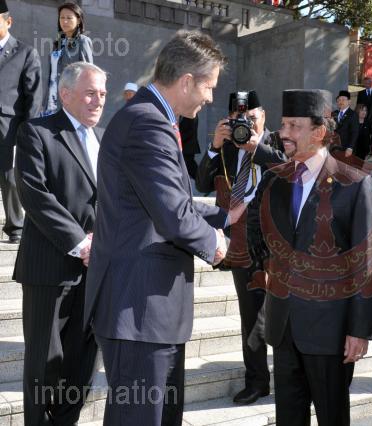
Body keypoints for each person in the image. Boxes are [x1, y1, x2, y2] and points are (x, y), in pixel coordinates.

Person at [84, 30, 229, 424]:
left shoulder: (151, 117)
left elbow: (167, 199)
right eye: (209, 87)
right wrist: (218, 244)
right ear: (187, 81)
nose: (210, 98)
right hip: (140, 310)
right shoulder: (148, 123)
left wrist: (227, 217)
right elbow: (173, 216)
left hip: (147, 313)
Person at [247, 89, 372, 426]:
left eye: (294, 125)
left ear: (319, 132)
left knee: (332, 417)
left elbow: (365, 265)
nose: (284, 133)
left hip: (331, 333)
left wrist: (359, 330)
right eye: (283, 124)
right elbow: (257, 231)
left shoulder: (354, 184)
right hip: (283, 326)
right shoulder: (274, 180)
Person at [15, 61, 105, 426]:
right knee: (44, 363)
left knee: (84, 362)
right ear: (65, 94)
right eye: (90, 93)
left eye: (102, 93)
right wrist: (80, 243)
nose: (99, 101)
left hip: (97, 271)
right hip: (49, 270)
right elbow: (34, 195)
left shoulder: (105, 139)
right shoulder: (37, 132)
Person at [195, 90, 285, 405]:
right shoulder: (228, 148)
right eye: (237, 118)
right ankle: (257, 381)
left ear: (264, 115)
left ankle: (292, 378)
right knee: (251, 314)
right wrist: (214, 147)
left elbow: (289, 169)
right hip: (242, 241)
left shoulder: (279, 140)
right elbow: (202, 184)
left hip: (279, 243)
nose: (244, 123)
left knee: (286, 313)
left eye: (250, 116)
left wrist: (255, 148)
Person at [0, 0, 42, 244]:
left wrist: (28, 130)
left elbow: (33, 96)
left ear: (9, 21)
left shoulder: (25, 52)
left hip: (9, 125)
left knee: (9, 177)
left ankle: (15, 227)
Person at [43, 2, 93, 115]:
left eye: (69, 18)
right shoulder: (58, 42)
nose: (64, 21)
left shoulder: (83, 41)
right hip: (51, 101)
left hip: (70, 102)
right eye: (62, 18)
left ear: (78, 20)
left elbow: (88, 74)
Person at [332, 90, 359, 156]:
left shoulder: (353, 114)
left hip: (346, 148)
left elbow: (355, 132)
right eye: (339, 100)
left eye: (343, 100)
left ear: (349, 101)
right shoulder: (334, 113)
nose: (341, 102)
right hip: (334, 147)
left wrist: (350, 147)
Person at [179, 114, 201, 180]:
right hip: (187, 146)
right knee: (189, 166)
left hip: (187, 146)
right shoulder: (190, 114)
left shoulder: (190, 114)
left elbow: (187, 132)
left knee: (189, 166)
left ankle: (203, 180)